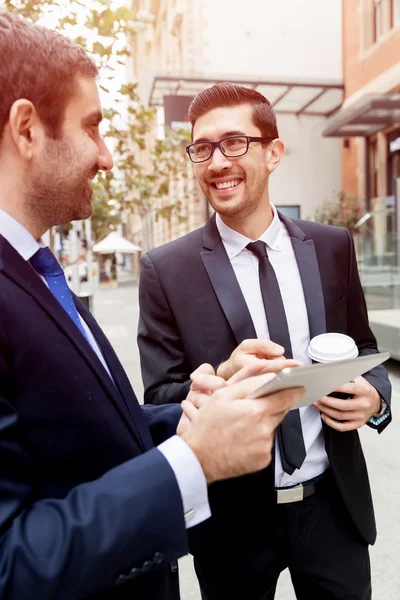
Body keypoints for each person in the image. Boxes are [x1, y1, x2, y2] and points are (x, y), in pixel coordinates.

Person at [0, 16, 306, 600]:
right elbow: (10, 566)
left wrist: (207, 402)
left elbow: (90, 431)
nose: (108, 157)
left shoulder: (35, 269)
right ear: (26, 129)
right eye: (92, 128)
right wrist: (192, 460)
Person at [138, 82, 392, 600]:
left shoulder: (331, 246)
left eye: (234, 143)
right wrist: (214, 383)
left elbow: (364, 350)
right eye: (202, 148)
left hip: (333, 509)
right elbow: (160, 399)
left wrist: (376, 396)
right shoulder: (165, 270)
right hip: (232, 523)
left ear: (273, 152)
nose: (216, 162)